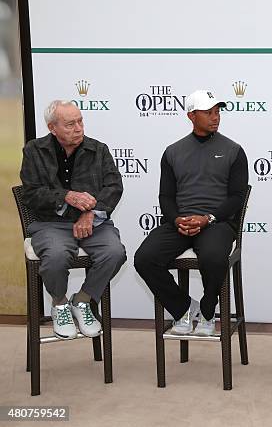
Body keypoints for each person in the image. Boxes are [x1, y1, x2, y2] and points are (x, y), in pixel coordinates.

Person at [134, 89, 248, 336]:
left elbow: (237, 197)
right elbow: (165, 196)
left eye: (217, 111)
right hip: (181, 222)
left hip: (217, 222)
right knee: (144, 258)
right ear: (191, 115)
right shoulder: (173, 152)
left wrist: (208, 219)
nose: (215, 117)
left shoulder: (234, 150)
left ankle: (208, 311)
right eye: (208, 112)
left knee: (214, 256)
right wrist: (177, 220)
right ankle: (184, 308)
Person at [20, 100, 126, 339]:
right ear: (52, 127)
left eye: (80, 121)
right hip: (50, 223)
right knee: (56, 257)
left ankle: (83, 300)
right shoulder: (34, 151)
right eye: (69, 124)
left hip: (94, 223)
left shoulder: (99, 149)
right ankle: (60, 304)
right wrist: (67, 196)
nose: (78, 128)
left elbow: (114, 187)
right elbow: (31, 193)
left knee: (114, 252)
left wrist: (90, 213)